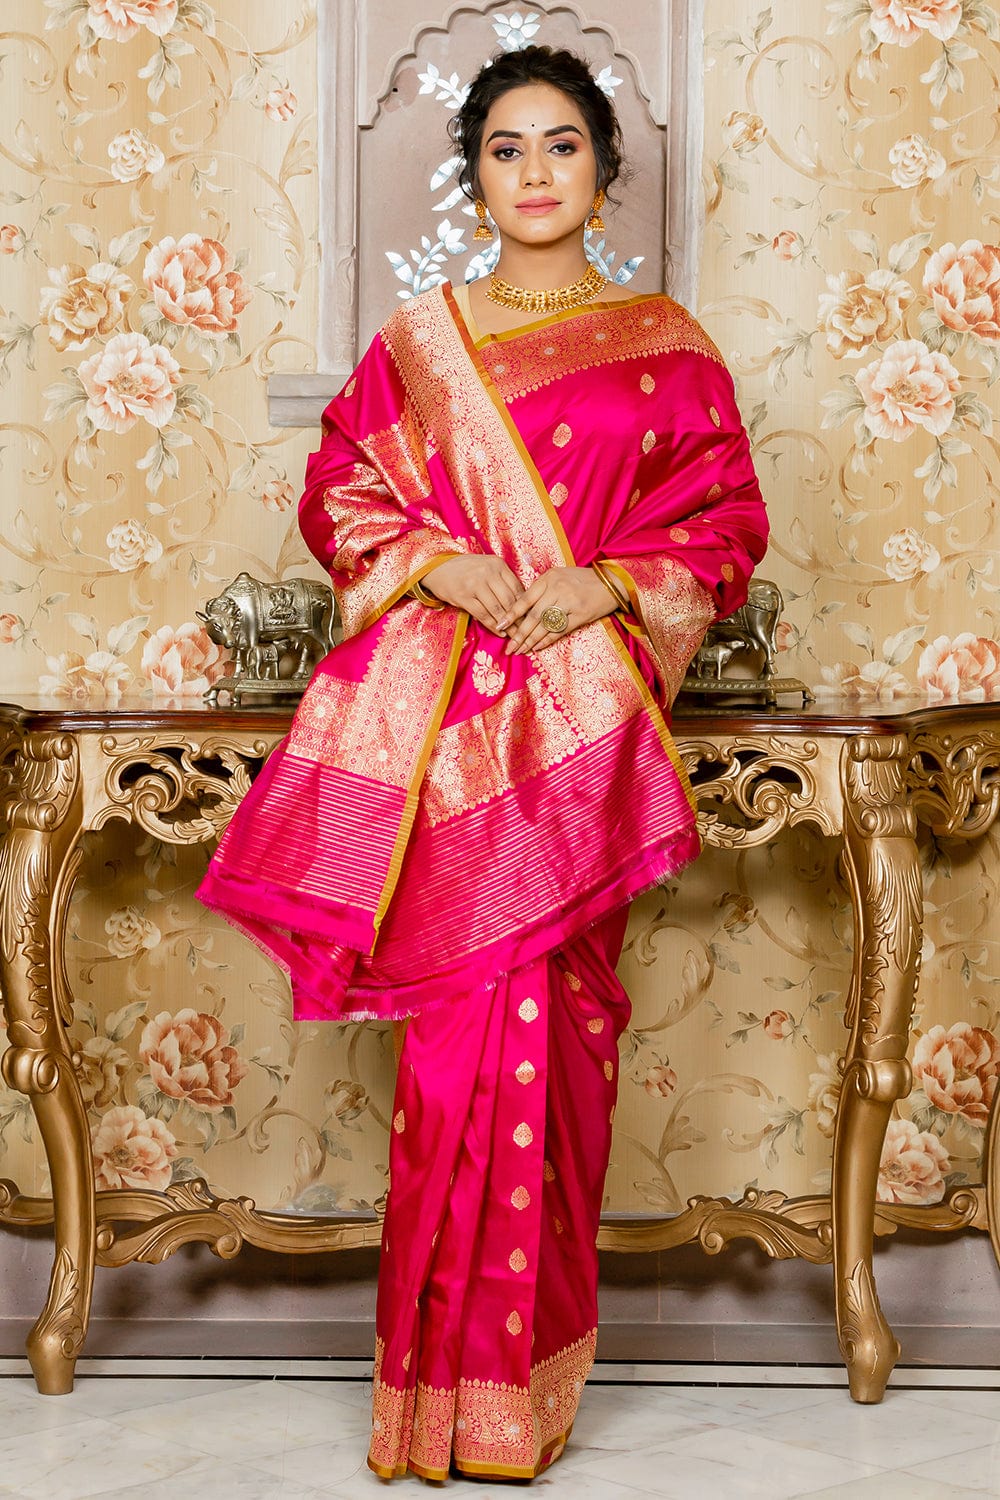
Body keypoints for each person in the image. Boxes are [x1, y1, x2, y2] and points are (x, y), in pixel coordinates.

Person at [197, 43, 768, 1483]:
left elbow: (724, 523)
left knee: (566, 1052)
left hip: (584, 737)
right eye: (506, 150)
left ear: (603, 170)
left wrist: (612, 586)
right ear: (475, 174)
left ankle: (528, 1395)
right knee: (456, 1066)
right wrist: (446, 563)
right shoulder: (419, 345)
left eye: (560, 146)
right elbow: (345, 492)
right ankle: (432, 1400)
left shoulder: (668, 345)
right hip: (447, 753)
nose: (534, 174)